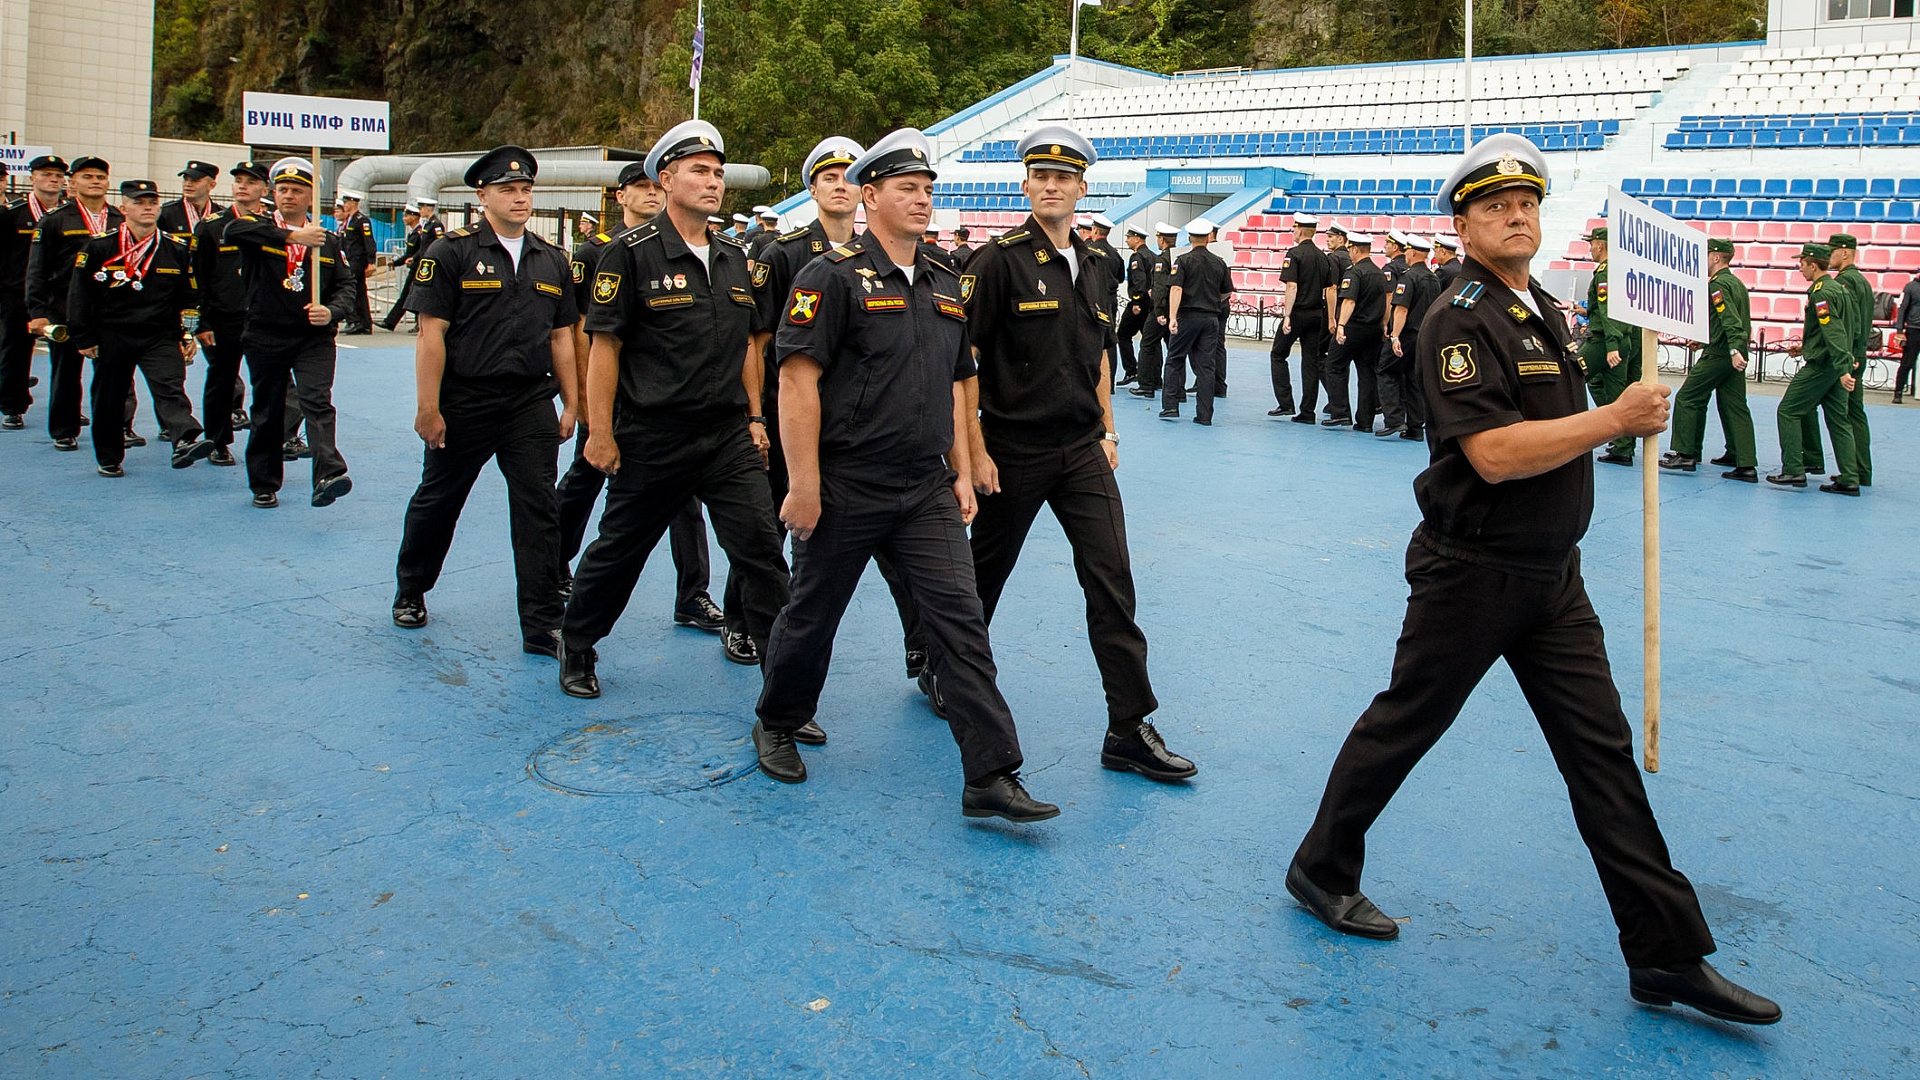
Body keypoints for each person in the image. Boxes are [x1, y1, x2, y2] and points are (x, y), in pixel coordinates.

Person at [1286, 133, 1781, 1027]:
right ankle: (1321, 869)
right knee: (1405, 724)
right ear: (1464, 225)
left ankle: (1665, 955)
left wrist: (1623, 407)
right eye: (1495, 206)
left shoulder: (1541, 307)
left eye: (1527, 204)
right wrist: (1614, 420)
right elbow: (1494, 454)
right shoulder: (1458, 318)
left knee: (1602, 756)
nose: (1516, 216)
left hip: (1552, 575)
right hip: (1472, 572)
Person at [751, 128, 1056, 823]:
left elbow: (955, 382)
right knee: (812, 615)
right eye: (905, 188)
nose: (921, 199)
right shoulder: (829, 276)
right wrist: (803, 484)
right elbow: (796, 382)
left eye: (926, 189)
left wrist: (960, 469)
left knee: (961, 623)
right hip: (847, 481)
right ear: (870, 196)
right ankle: (778, 719)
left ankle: (991, 772)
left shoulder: (945, 281)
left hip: (924, 488)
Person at [958, 124, 1195, 781]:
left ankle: (1128, 727)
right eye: (1041, 176)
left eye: (1064, 177)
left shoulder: (1096, 265)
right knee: (982, 577)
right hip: (1012, 447)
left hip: (1082, 449)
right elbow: (961, 362)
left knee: (1112, 580)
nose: (1052, 186)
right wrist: (971, 452)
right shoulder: (996, 262)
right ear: (1025, 185)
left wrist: (1109, 431)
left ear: (1082, 188)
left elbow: (1098, 356)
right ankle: (942, 665)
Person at [559, 120, 791, 700]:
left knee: (763, 554)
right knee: (620, 551)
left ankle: (787, 688)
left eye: (718, 173)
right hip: (653, 436)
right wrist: (600, 431)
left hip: (726, 437)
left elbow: (746, 346)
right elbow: (605, 348)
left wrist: (756, 419)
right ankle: (578, 642)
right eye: (699, 171)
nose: (713, 182)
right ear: (666, 179)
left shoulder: (733, 256)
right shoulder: (629, 255)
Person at [749, 136, 927, 683]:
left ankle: (922, 651)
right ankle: (745, 622)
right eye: (829, 178)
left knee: (902, 557)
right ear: (812, 189)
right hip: (796, 422)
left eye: (849, 178)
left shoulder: (890, 255)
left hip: (869, 433)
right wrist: (755, 416)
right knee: (773, 528)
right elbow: (760, 344)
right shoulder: (785, 255)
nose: (841, 187)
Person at [393, 146, 580, 656]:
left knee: (540, 510)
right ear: (482, 196)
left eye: (525, 190)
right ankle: (411, 588)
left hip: (529, 403)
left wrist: (572, 402)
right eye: (507, 190)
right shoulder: (450, 252)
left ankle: (541, 624)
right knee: (439, 500)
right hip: (465, 401)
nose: (519, 198)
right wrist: (428, 407)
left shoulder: (551, 258)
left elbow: (562, 337)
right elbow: (431, 334)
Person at [556, 162, 728, 648]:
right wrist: (589, 407)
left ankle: (692, 593)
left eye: (655, 186)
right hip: (616, 405)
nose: (651, 194)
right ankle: (554, 563)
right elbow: (585, 332)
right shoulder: (599, 252)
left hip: (672, 411)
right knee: (586, 488)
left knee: (685, 504)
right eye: (641, 187)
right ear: (621, 196)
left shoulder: (702, 250)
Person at [223, 157, 356, 508]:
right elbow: (232, 231)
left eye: (297, 190)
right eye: (282, 189)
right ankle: (264, 482)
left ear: (310, 197)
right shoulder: (258, 227)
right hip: (266, 334)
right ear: (273, 193)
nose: (288, 196)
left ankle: (328, 474)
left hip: (313, 337)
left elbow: (346, 286)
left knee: (317, 402)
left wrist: (331, 311)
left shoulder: (328, 241)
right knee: (268, 408)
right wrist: (293, 236)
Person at [65, 179, 214, 476]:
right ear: (123, 209)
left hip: (159, 334)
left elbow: (189, 295)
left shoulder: (175, 248)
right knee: (110, 397)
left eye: (152, 203)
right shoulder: (100, 246)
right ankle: (109, 457)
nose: (147, 208)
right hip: (113, 333)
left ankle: (184, 439)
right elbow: (79, 295)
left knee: (170, 387)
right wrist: (83, 336)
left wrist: (188, 333)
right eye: (139, 202)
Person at [27, 156, 126, 451]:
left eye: (100, 177)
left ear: (108, 183)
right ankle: (64, 428)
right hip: (65, 307)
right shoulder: (56, 219)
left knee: (112, 374)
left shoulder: (119, 219)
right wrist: (38, 312)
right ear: (73, 183)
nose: (95, 182)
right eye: (87, 176)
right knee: (67, 371)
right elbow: (37, 269)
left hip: (110, 308)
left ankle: (115, 428)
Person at [192, 160, 271, 467]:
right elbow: (198, 278)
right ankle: (217, 441)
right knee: (221, 381)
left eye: (250, 182)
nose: (242, 186)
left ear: (265, 189)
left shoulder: (272, 226)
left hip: (264, 317)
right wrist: (201, 322)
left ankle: (271, 441)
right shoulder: (212, 226)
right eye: (238, 181)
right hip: (224, 318)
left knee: (269, 383)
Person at [1767, 242, 1862, 496]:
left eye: (1802, 264)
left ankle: (1793, 469)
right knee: (1839, 420)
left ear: (1813, 264)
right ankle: (1850, 477)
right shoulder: (1840, 289)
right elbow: (1850, 328)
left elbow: (1833, 331)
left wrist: (1842, 367)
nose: (1800, 269)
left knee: (1788, 411)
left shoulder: (1821, 293)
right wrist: (1810, 348)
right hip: (1835, 362)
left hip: (1824, 365)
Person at [1659, 238, 1757, 481]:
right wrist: (1705, 341)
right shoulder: (1736, 283)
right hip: (1731, 350)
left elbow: (1730, 320)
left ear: (1715, 257)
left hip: (1722, 353)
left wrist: (1732, 350)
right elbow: (1734, 321)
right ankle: (1743, 460)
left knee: (1688, 397)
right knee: (1734, 405)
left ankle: (1686, 453)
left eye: (1706, 256)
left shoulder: (1718, 285)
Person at [1, 154, 68, 431]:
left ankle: (66, 409)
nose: (53, 179)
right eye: (46, 174)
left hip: (60, 296)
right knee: (15, 351)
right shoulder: (12, 214)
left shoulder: (70, 214)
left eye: (58, 175)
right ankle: (12, 407)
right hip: (18, 294)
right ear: (32, 178)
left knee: (66, 357)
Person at [1579, 227, 1643, 466]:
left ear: (1600, 245)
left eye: (1591, 244)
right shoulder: (1622, 271)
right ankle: (1623, 445)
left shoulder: (1605, 273)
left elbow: (1608, 311)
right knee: (1617, 391)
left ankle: (1560, 433)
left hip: (1604, 340)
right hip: (1622, 338)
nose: (1590, 249)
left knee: (1572, 375)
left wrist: (1612, 344)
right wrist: (1588, 312)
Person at [1159, 218, 1230, 425]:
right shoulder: (1220, 262)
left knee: (1174, 359)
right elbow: (1226, 292)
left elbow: (1176, 288)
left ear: (1190, 238)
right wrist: (1212, 301)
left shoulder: (1182, 261)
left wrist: (1173, 316)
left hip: (1188, 317)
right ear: (1208, 238)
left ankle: (1171, 406)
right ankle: (1205, 415)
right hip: (1211, 318)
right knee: (1206, 367)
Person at [1269, 213, 1333, 422]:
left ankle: (1285, 402)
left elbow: (1292, 286)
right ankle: (1307, 411)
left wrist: (1287, 315)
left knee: (1278, 354)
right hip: (1317, 314)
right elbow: (1329, 288)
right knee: (1310, 362)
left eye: (1295, 228)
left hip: (1298, 313)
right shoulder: (1323, 257)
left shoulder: (1294, 254)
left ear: (1300, 230)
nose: (1293, 232)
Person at [1323, 232, 1385, 430]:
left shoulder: (1354, 272)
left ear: (1356, 249)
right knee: (1367, 373)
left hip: (1354, 327)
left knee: (1334, 365)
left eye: (1351, 249)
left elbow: (1349, 301)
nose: (1349, 252)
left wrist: (1340, 325)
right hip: (1373, 329)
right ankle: (1365, 421)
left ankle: (1340, 412)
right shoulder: (1379, 273)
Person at [1380, 234, 1438, 440]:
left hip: (1406, 335)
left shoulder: (1408, 277)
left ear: (1412, 252)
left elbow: (1401, 309)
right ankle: (1415, 427)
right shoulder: (1433, 278)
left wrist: (1395, 336)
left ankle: (1394, 419)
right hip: (1424, 336)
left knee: (1386, 371)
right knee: (1413, 379)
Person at [1828, 234, 1874, 487]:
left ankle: (1850, 473)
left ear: (1844, 252)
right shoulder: (1862, 281)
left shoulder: (1844, 282)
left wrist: (1847, 356)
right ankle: (1862, 470)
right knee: (1856, 413)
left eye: (1832, 251)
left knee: (1842, 415)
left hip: (1849, 355)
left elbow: (1849, 323)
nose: (1829, 256)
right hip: (1859, 352)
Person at [1128, 222, 1180, 399]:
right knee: (1174, 349)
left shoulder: (1162, 259)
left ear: (1162, 239)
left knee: (1148, 344)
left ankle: (1146, 385)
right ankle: (1177, 389)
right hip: (1175, 310)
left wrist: (1159, 311)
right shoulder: (1179, 257)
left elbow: (1160, 287)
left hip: (1162, 309)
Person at [379, 199, 442, 331]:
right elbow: (423, 248)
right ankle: (410, 322)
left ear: (428, 208)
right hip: (421, 265)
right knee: (413, 294)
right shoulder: (427, 225)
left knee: (416, 294)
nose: (420, 211)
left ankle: (413, 322)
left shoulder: (435, 225)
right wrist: (413, 258)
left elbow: (439, 245)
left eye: (422, 208)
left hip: (427, 266)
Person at [1115, 224, 1152, 387]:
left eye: (1129, 237)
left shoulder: (1137, 257)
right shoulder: (1152, 255)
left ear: (1137, 239)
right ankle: (1152, 376)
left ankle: (1131, 370)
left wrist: (1136, 301)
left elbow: (1139, 280)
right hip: (1150, 302)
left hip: (1139, 302)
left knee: (1123, 335)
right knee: (1150, 340)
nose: (1127, 241)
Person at [336, 190, 377, 334]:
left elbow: (369, 241)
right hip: (350, 259)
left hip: (357, 260)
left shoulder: (361, 220)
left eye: (346, 202)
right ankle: (363, 323)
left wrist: (371, 261)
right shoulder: (349, 220)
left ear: (353, 203)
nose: (344, 205)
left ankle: (355, 320)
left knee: (351, 289)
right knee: (359, 291)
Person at [159, 160, 223, 246]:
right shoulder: (166, 213)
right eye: (185, 179)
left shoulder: (222, 215)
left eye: (195, 180)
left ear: (211, 185)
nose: (188, 184)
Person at [1895, 269, 1920, 404]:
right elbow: (1902, 308)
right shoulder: (1910, 287)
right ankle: (1898, 392)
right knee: (1907, 363)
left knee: (1907, 362)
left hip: (1913, 327)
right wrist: (1899, 331)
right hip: (1913, 329)